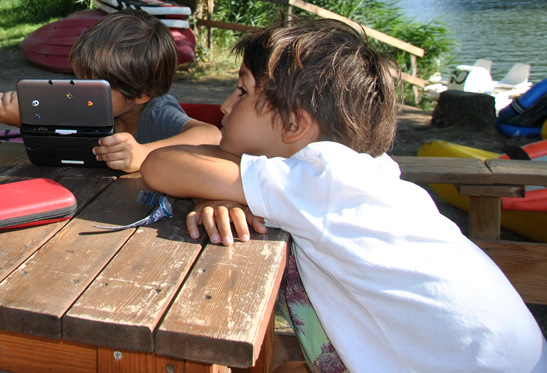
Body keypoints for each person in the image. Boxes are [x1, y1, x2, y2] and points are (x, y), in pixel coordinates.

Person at [139, 19, 547, 373]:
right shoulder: (359, 173)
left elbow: (162, 165)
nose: (226, 105)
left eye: (242, 92)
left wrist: (214, 187)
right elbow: (197, 168)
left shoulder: (326, 179)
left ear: (294, 125)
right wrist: (218, 193)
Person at [0, 10, 221, 172]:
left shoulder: (157, 113)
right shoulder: (88, 106)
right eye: (79, 80)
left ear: (142, 93)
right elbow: (64, 143)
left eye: (96, 87)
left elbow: (212, 135)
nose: (81, 93)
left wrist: (143, 154)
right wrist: (25, 121)